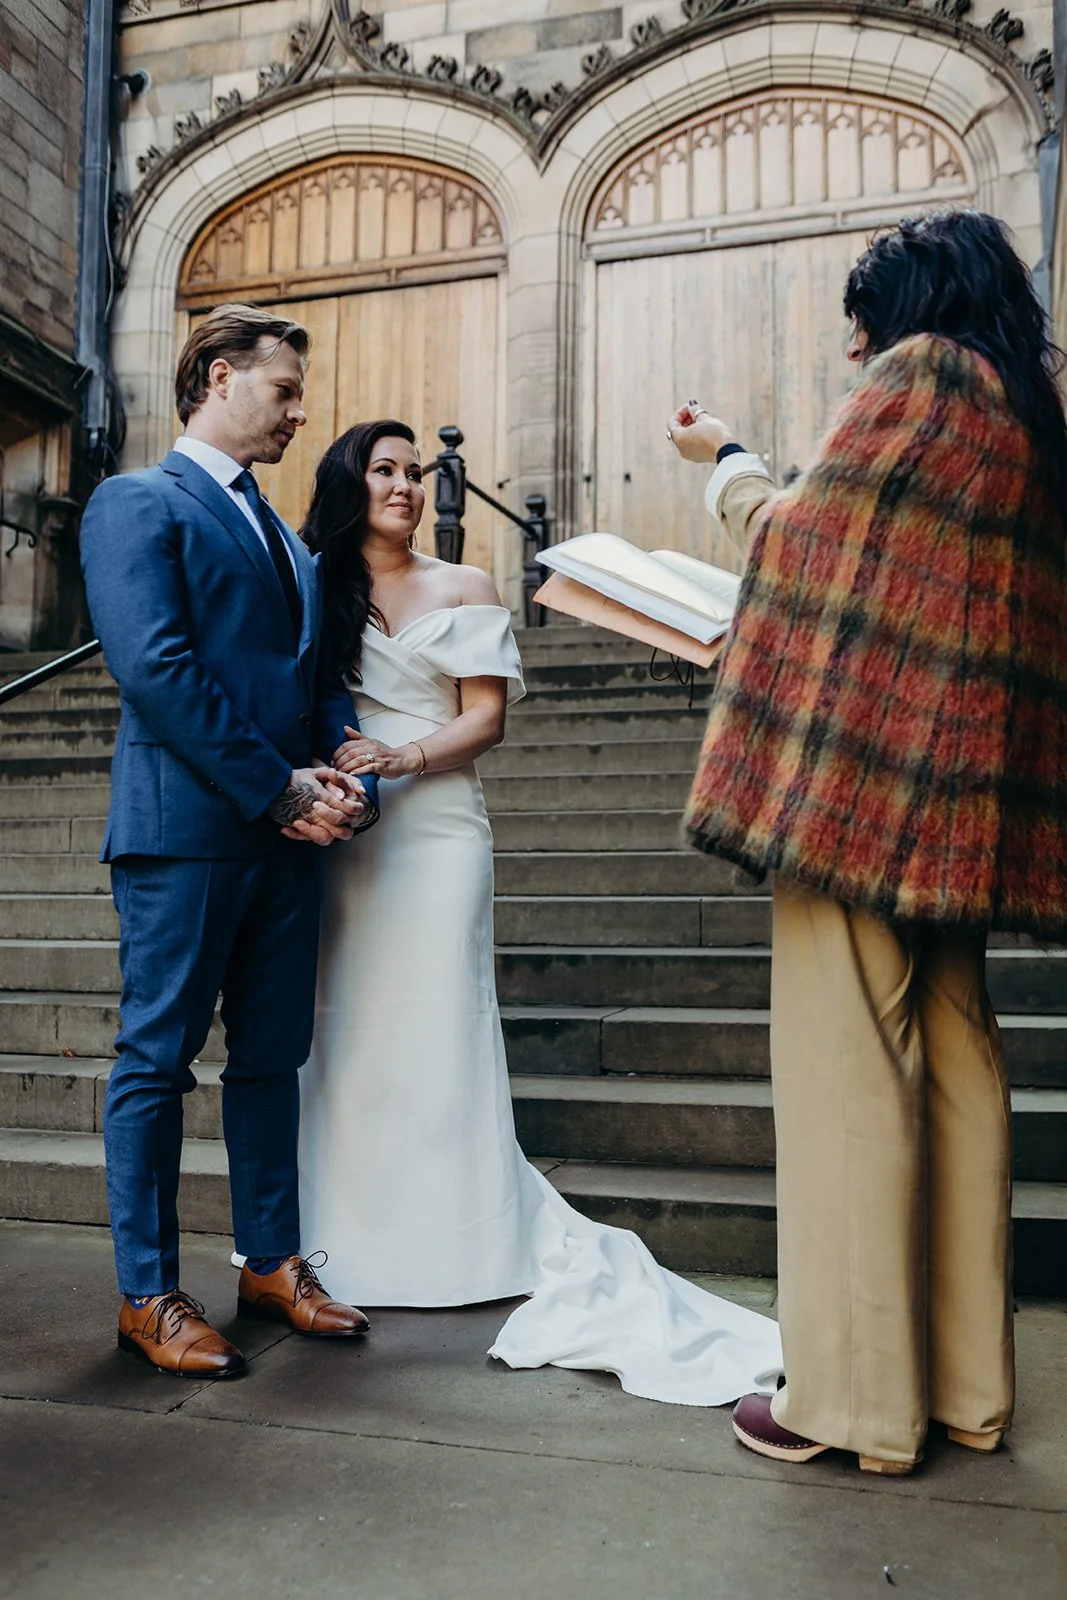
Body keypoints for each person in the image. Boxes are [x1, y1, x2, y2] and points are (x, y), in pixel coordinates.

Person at [668, 210, 1067, 1470]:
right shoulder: (1023, 413)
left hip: (860, 784)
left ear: (907, 308)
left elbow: (805, 538)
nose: (855, 349)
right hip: (959, 794)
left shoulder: (923, 376)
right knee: (956, 1061)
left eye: (862, 320)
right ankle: (960, 1388)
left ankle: (847, 1404)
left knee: (846, 1071)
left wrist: (726, 460)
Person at [294, 419, 783, 1406]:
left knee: (437, 1028)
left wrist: (404, 757)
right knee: (343, 1032)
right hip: (348, 836)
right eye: (382, 470)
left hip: (435, 830)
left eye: (414, 471)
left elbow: (486, 716)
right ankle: (344, 1233)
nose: (403, 485)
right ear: (349, 484)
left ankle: (454, 1236)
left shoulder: (462, 586)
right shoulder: (312, 583)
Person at [80, 303, 380, 1378]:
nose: (301, 412)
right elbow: (157, 669)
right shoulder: (135, 503)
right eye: (283, 390)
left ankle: (268, 1261)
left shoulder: (288, 541)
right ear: (215, 375)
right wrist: (275, 789)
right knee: (155, 1062)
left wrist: (345, 775)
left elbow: (312, 685)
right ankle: (147, 1292)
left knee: (270, 1061)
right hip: (188, 834)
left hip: (288, 839)